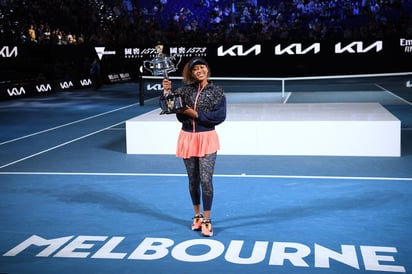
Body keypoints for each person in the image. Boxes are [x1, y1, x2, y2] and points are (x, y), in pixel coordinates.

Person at [162, 57, 226, 237]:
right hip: (187, 138)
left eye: (202, 67)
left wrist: (195, 114)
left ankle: (207, 219)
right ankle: (196, 216)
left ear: (207, 70)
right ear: (191, 72)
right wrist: (167, 91)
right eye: (195, 68)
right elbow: (169, 107)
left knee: (206, 180)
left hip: (207, 138)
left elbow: (219, 116)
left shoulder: (217, 91)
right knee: (193, 180)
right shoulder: (184, 91)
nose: (199, 70)